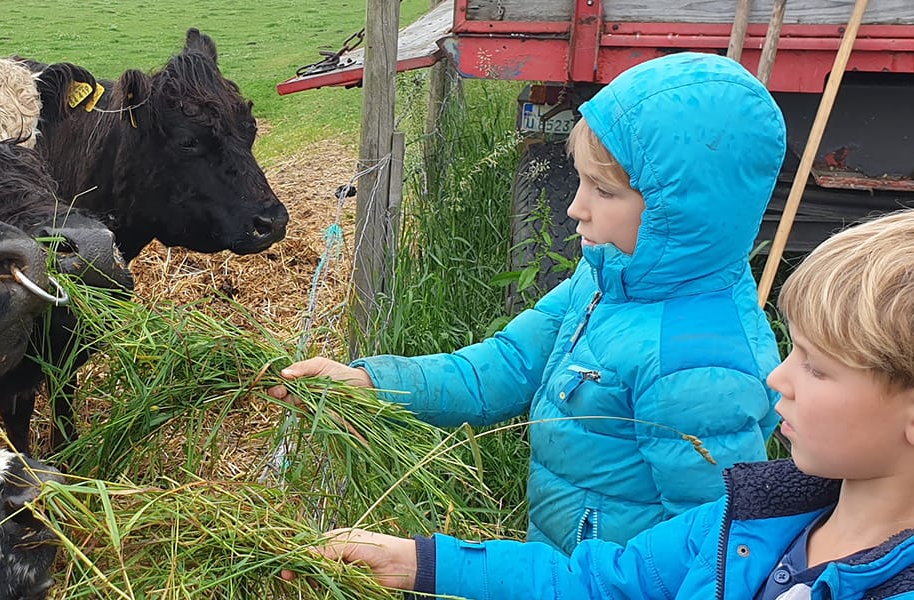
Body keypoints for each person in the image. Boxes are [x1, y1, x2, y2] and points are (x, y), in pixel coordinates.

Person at [291, 208, 914, 598]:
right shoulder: (751, 521)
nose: (776, 377)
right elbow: (601, 584)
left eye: (814, 368)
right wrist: (421, 562)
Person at [270, 51, 786, 552]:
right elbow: (510, 363)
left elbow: (706, 559)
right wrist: (370, 384)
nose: (574, 207)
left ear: (683, 210)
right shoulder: (607, 279)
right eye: (582, 181)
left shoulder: (697, 369)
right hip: (556, 566)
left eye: (603, 191)